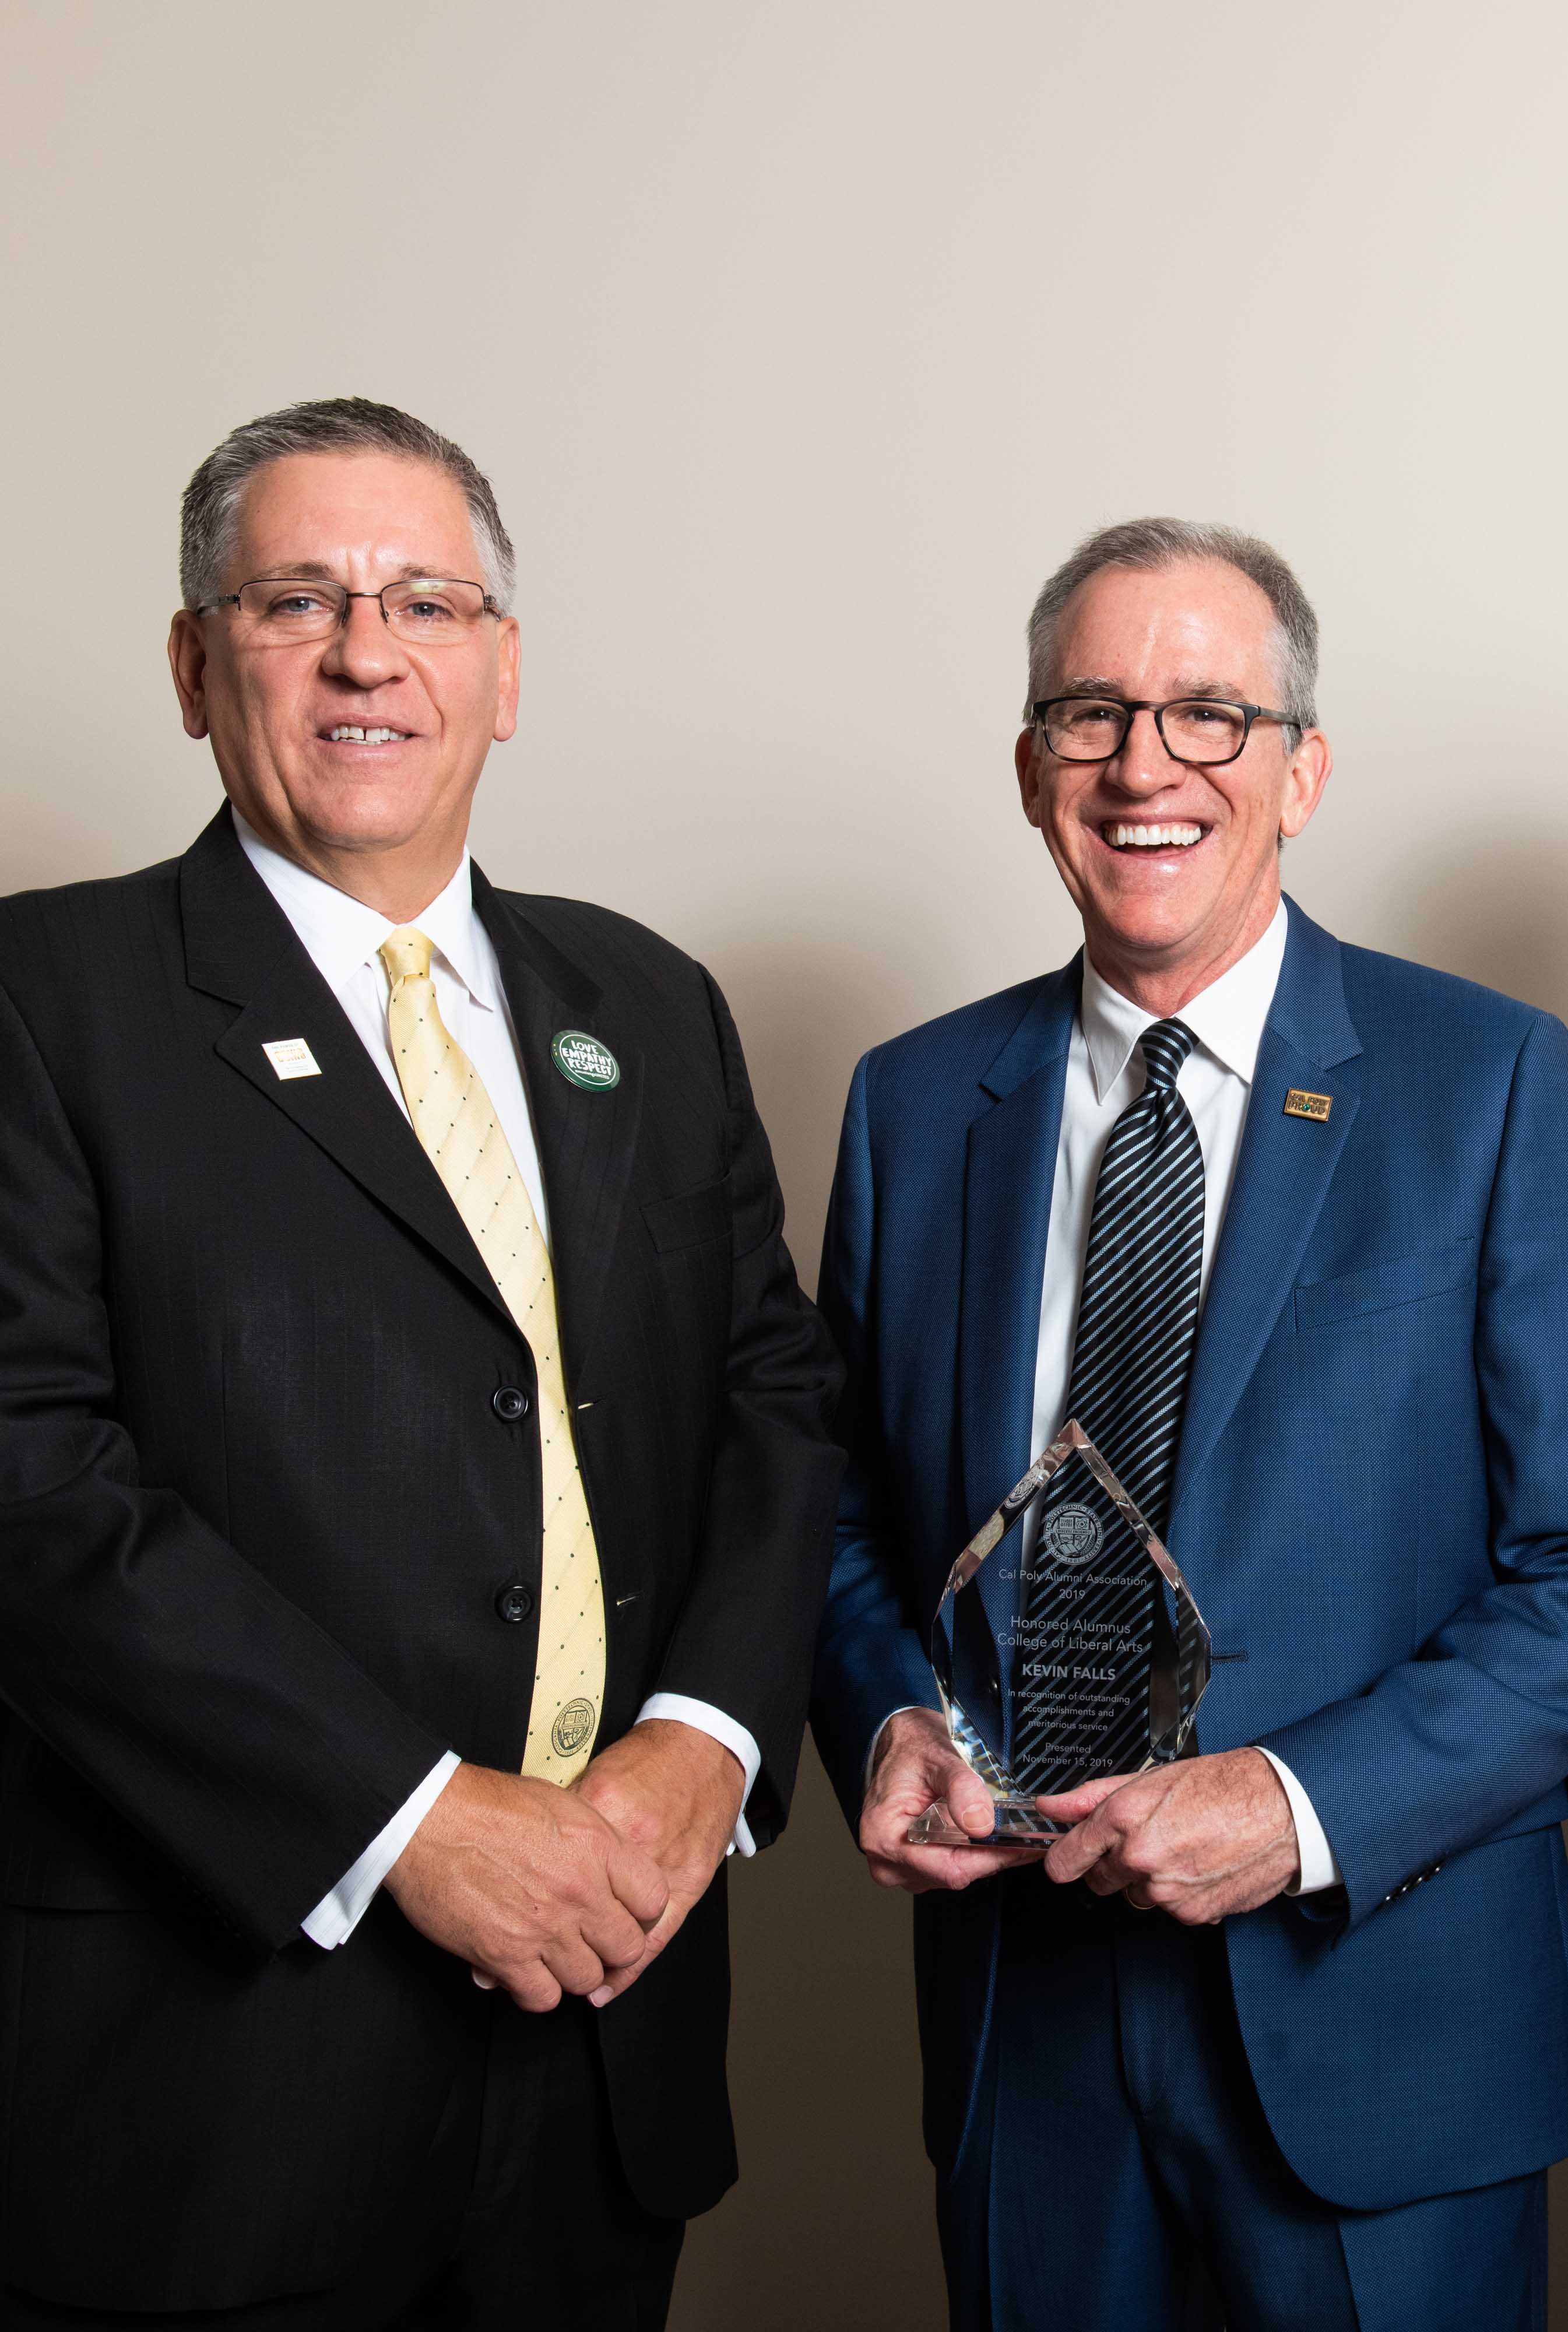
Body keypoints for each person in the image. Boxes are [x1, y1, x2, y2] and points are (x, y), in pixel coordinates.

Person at [0, 398, 843, 2328]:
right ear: (197, 666)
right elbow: (29, 1478)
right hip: (214, 2070)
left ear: (506, 669)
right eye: (298, 599)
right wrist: (410, 1819)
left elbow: (774, 1409)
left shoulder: (646, 999)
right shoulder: (43, 1000)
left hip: (601, 2046)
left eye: (426, 602)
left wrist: (701, 1753)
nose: (369, 652)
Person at [811, 517, 1568, 2331]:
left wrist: (1297, 1809)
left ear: (1304, 773)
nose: (1148, 765)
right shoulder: (913, 1106)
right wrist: (890, 1707)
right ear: (1028, 767)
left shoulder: (1491, 1080)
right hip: (1023, 2032)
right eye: (1093, 713)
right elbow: (833, 1515)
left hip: (1378, 2021)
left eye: (1213, 715)